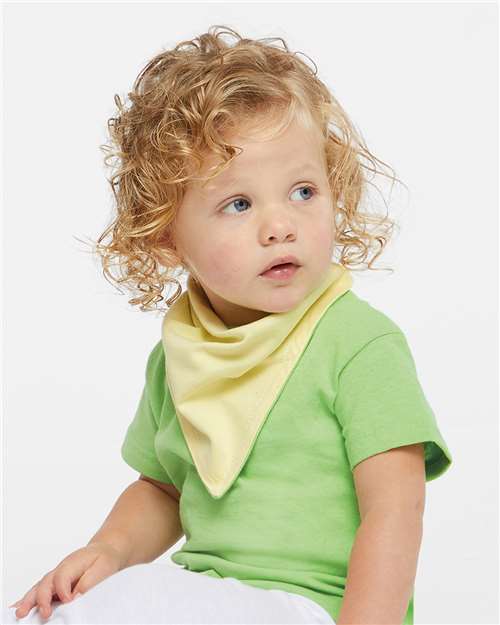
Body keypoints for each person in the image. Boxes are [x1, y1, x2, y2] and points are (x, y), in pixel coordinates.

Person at [3, 24, 453, 625]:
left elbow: (395, 509)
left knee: (144, 603)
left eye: (303, 191)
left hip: (317, 606)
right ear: (165, 235)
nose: (280, 226)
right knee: (81, 608)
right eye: (239, 204)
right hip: (212, 595)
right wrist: (110, 550)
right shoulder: (183, 353)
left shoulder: (358, 343)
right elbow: (163, 489)